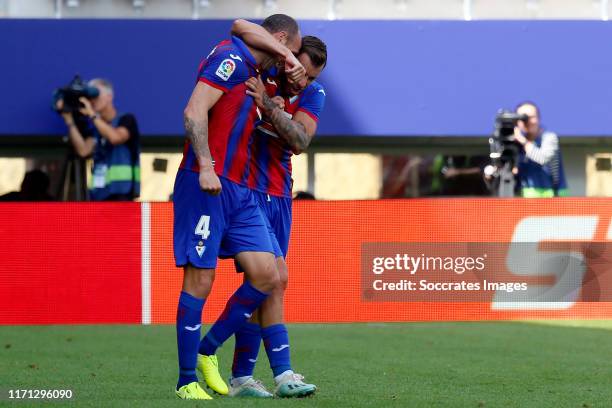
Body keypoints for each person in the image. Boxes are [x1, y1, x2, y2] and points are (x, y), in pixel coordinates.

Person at [172, 14, 305, 400]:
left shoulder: (253, 73)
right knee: (201, 279)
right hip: (206, 183)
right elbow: (193, 111)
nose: (288, 62)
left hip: (242, 191)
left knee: (269, 275)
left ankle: (205, 350)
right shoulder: (230, 58)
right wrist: (207, 167)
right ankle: (185, 382)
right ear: (277, 39)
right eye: (289, 52)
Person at [219, 29, 327, 398]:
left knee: (268, 283)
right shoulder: (258, 74)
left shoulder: (313, 94)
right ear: (288, 60)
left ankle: (241, 377)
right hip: (245, 192)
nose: (305, 81)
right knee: (274, 278)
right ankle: (281, 374)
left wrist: (269, 107)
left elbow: (299, 141)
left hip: (280, 196)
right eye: (302, 72)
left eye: (312, 77)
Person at [57, 79, 140, 201]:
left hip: (122, 193)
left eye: (96, 94)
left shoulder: (126, 119)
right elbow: (84, 150)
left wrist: (92, 114)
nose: (92, 100)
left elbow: (115, 138)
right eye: (90, 96)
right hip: (99, 193)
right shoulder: (95, 126)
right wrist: (69, 122)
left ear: (109, 96)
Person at [513, 102, 568, 197]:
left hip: (551, 195)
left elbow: (543, 158)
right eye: (523, 118)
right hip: (524, 195)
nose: (527, 121)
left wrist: (524, 142)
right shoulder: (516, 142)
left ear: (539, 118)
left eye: (531, 117)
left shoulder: (549, 137)